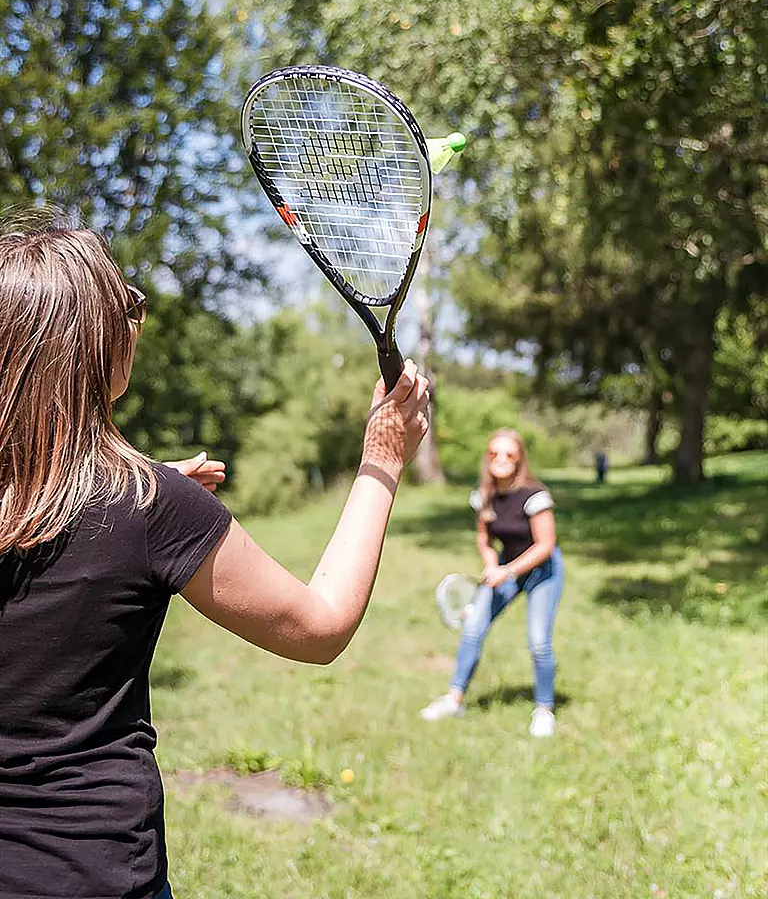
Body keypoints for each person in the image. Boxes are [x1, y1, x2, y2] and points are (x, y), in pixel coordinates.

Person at [0, 212, 429, 899]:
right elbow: (319, 627)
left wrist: (134, 508)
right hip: (94, 877)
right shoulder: (149, 508)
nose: (138, 320)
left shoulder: (127, 507)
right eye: (128, 305)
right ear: (95, 343)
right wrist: (382, 460)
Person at [420, 429, 564, 736]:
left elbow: (545, 546)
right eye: (494, 453)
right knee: (473, 629)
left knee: (538, 641)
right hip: (504, 568)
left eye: (509, 454)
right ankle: (454, 699)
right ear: (487, 458)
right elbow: (484, 538)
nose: (500, 460)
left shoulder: (535, 497)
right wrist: (489, 562)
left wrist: (508, 572)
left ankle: (544, 709)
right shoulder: (483, 495)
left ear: (519, 459)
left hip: (541, 571)